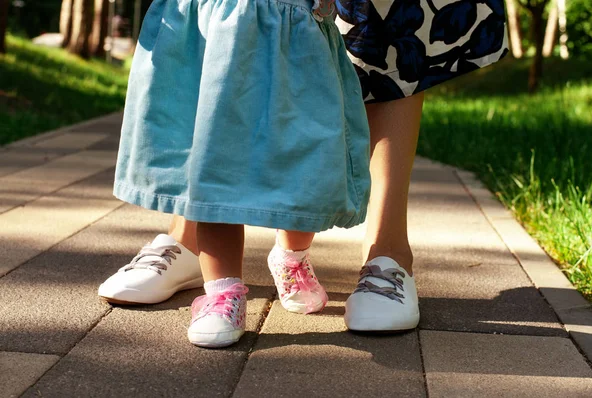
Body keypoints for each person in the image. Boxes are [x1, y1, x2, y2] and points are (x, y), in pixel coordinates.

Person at [100, 0, 508, 333]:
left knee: (307, 154)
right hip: (214, 20)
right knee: (211, 145)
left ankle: (362, 255)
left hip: (301, 31)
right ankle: (213, 278)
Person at [101, 0, 371, 348]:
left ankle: (291, 256)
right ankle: (221, 293)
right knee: (215, 170)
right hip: (209, 33)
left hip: (293, 40)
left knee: (305, 166)